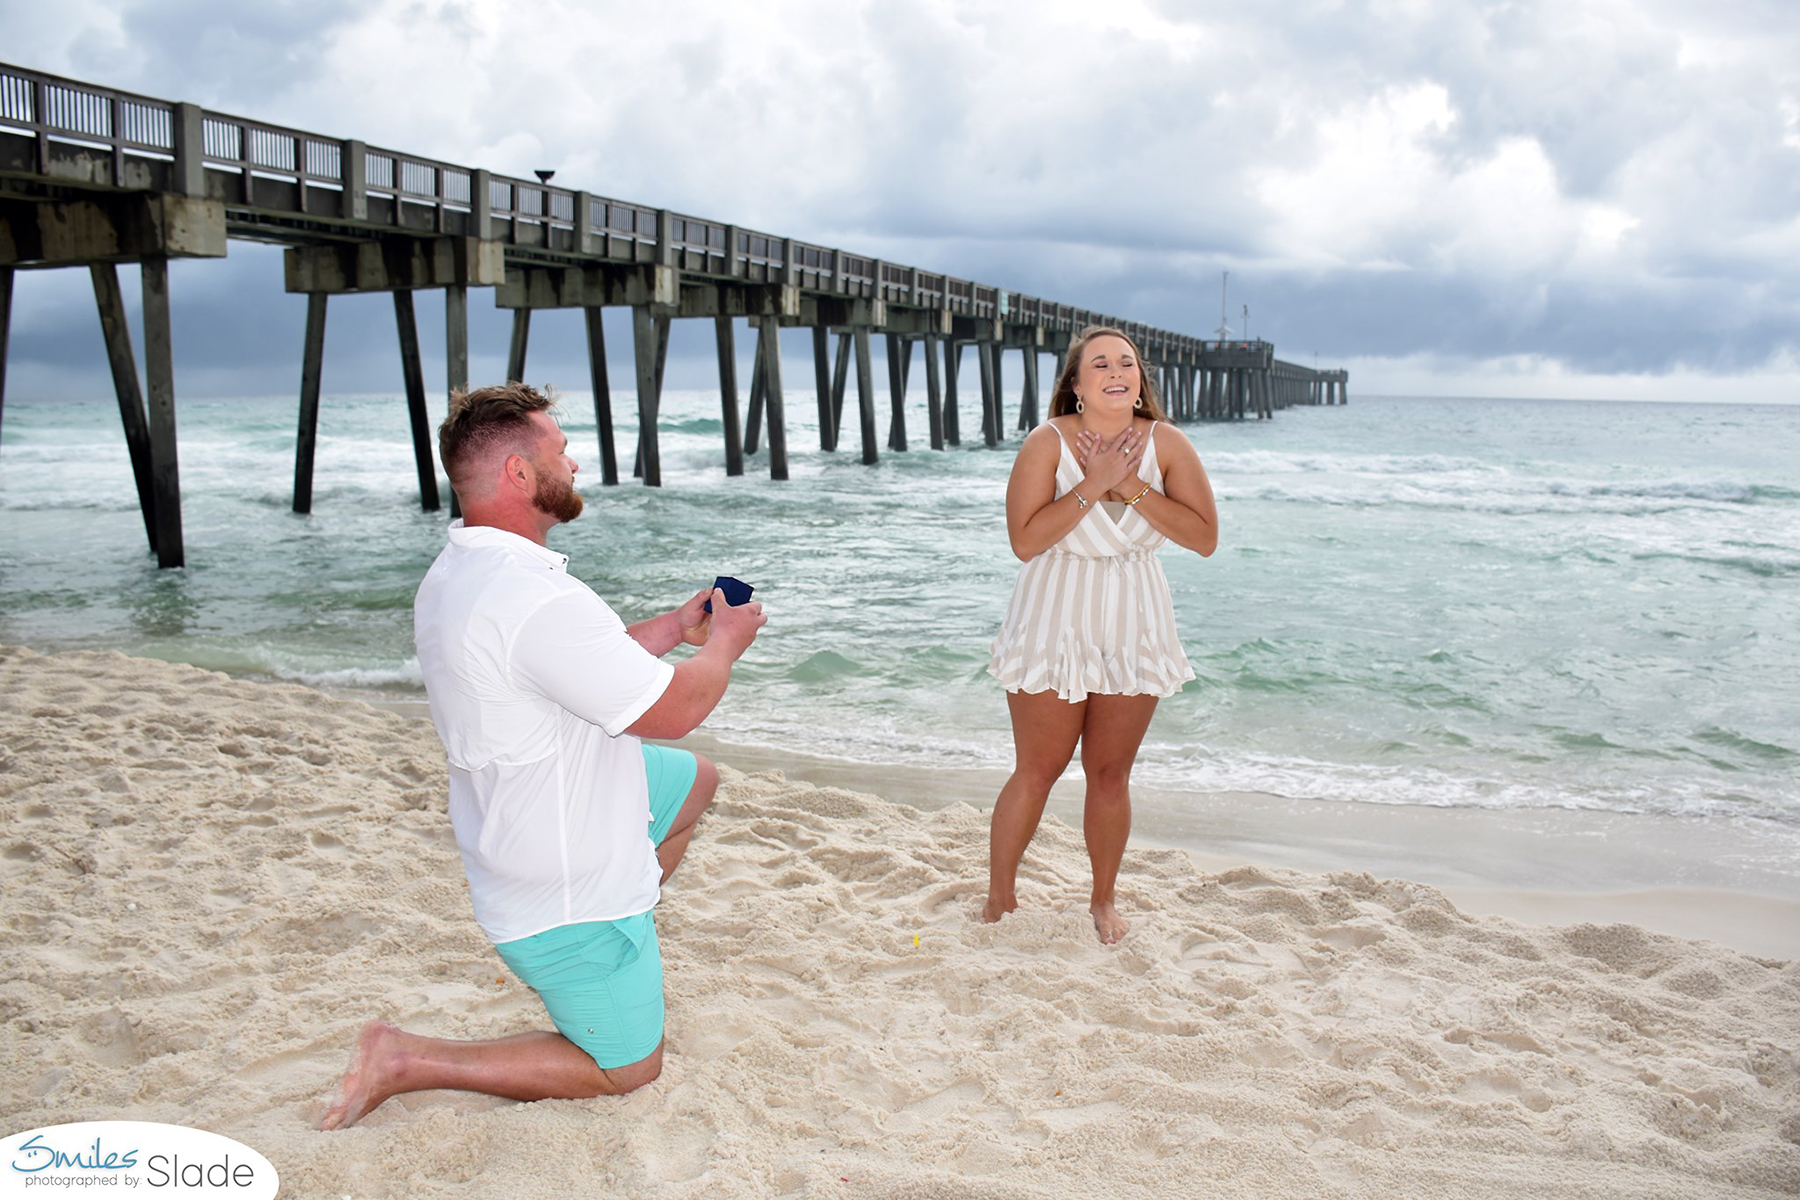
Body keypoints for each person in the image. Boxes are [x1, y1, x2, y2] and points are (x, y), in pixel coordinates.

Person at [321, 382, 765, 1130]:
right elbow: (678, 710)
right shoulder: (535, 600)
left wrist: (668, 630)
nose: (576, 462)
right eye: (561, 451)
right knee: (627, 1068)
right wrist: (726, 643)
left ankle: (625, 935)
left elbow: (562, 666)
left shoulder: (460, 574)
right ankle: (404, 1058)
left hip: (524, 819)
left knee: (694, 786)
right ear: (521, 475)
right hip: (560, 884)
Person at [984, 327, 1218, 944]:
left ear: (1140, 379)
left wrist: (1131, 486)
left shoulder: (1167, 443)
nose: (1117, 371)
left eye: (1127, 362)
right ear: (1077, 384)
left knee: (1110, 774)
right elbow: (1026, 541)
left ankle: (1103, 900)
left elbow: (1203, 538)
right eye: (1100, 364)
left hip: (1135, 616)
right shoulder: (1047, 443)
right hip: (1055, 614)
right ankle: (999, 896)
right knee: (1038, 769)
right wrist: (1093, 483)